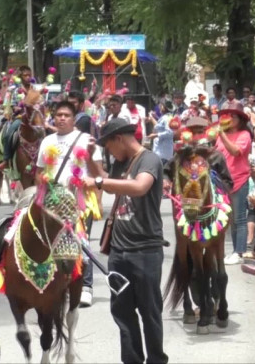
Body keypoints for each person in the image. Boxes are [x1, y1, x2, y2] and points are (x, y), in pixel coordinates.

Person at [83, 117, 168, 364]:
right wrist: (90, 158)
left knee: (150, 312)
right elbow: (109, 184)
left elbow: (140, 187)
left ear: (119, 139)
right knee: (122, 311)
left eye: (108, 146)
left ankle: (156, 360)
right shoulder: (122, 163)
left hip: (145, 250)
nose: (109, 151)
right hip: (119, 251)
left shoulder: (149, 159)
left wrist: (98, 181)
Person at [36, 101, 103, 308]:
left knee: (81, 242)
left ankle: (86, 287)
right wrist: (42, 186)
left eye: (66, 115)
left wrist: (98, 202)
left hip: (80, 198)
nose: (61, 118)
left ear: (74, 119)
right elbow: (38, 172)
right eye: (58, 115)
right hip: (53, 199)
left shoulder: (86, 140)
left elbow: (98, 173)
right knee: (52, 242)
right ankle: (58, 284)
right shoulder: (47, 141)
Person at [216, 104, 253, 265]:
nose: (229, 119)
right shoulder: (220, 136)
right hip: (223, 181)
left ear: (240, 120)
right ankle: (234, 251)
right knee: (231, 219)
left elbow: (235, 152)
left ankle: (239, 251)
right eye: (227, 116)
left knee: (239, 218)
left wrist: (222, 134)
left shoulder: (244, 134)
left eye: (234, 116)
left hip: (239, 180)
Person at [148, 101, 175, 165]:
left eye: (161, 106)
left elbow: (170, 132)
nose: (160, 107)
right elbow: (159, 126)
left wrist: (156, 135)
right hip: (160, 151)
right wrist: (154, 117)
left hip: (163, 152)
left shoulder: (167, 118)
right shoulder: (165, 117)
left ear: (164, 108)